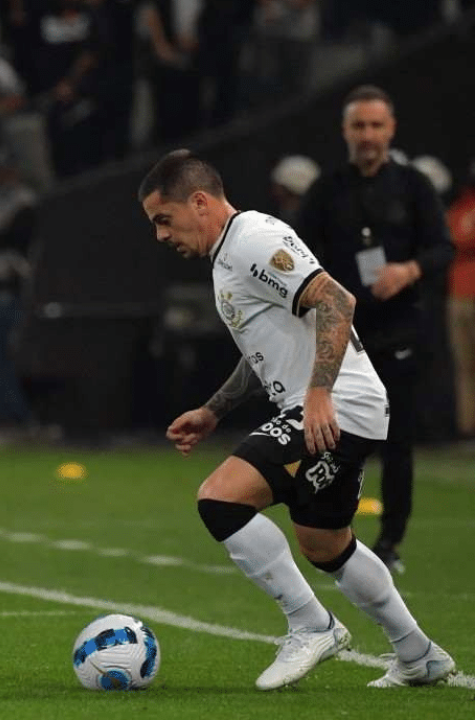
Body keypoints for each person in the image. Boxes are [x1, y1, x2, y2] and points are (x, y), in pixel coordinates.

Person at [138, 149, 456, 690]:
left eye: (163, 220)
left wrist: (317, 394)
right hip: (338, 406)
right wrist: (214, 409)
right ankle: (419, 654)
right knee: (327, 545)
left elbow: (336, 299)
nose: (161, 235)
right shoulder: (229, 255)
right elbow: (260, 346)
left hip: (338, 406)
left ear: (198, 201)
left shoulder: (252, 239)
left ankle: (312, 625)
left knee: (220, 498)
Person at [295, 85, 455, 574]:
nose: (367, 135)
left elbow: (442, 247)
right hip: (343, 337)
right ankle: (332, 536)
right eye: (359, 126)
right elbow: (301, 252)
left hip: (401, 330)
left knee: (398, 443)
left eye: (376, 125)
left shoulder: (413, 186)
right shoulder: (326, 190)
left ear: (391, 129)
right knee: (334, 439)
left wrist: (408, 270)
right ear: (345, 130)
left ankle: (390, 542)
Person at [447, 160, 475, 440]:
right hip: (459, 296)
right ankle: (468, 431)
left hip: (462, 295)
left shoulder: (460, 210)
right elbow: (449, 239)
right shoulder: (461, 208)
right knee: (465, 368)